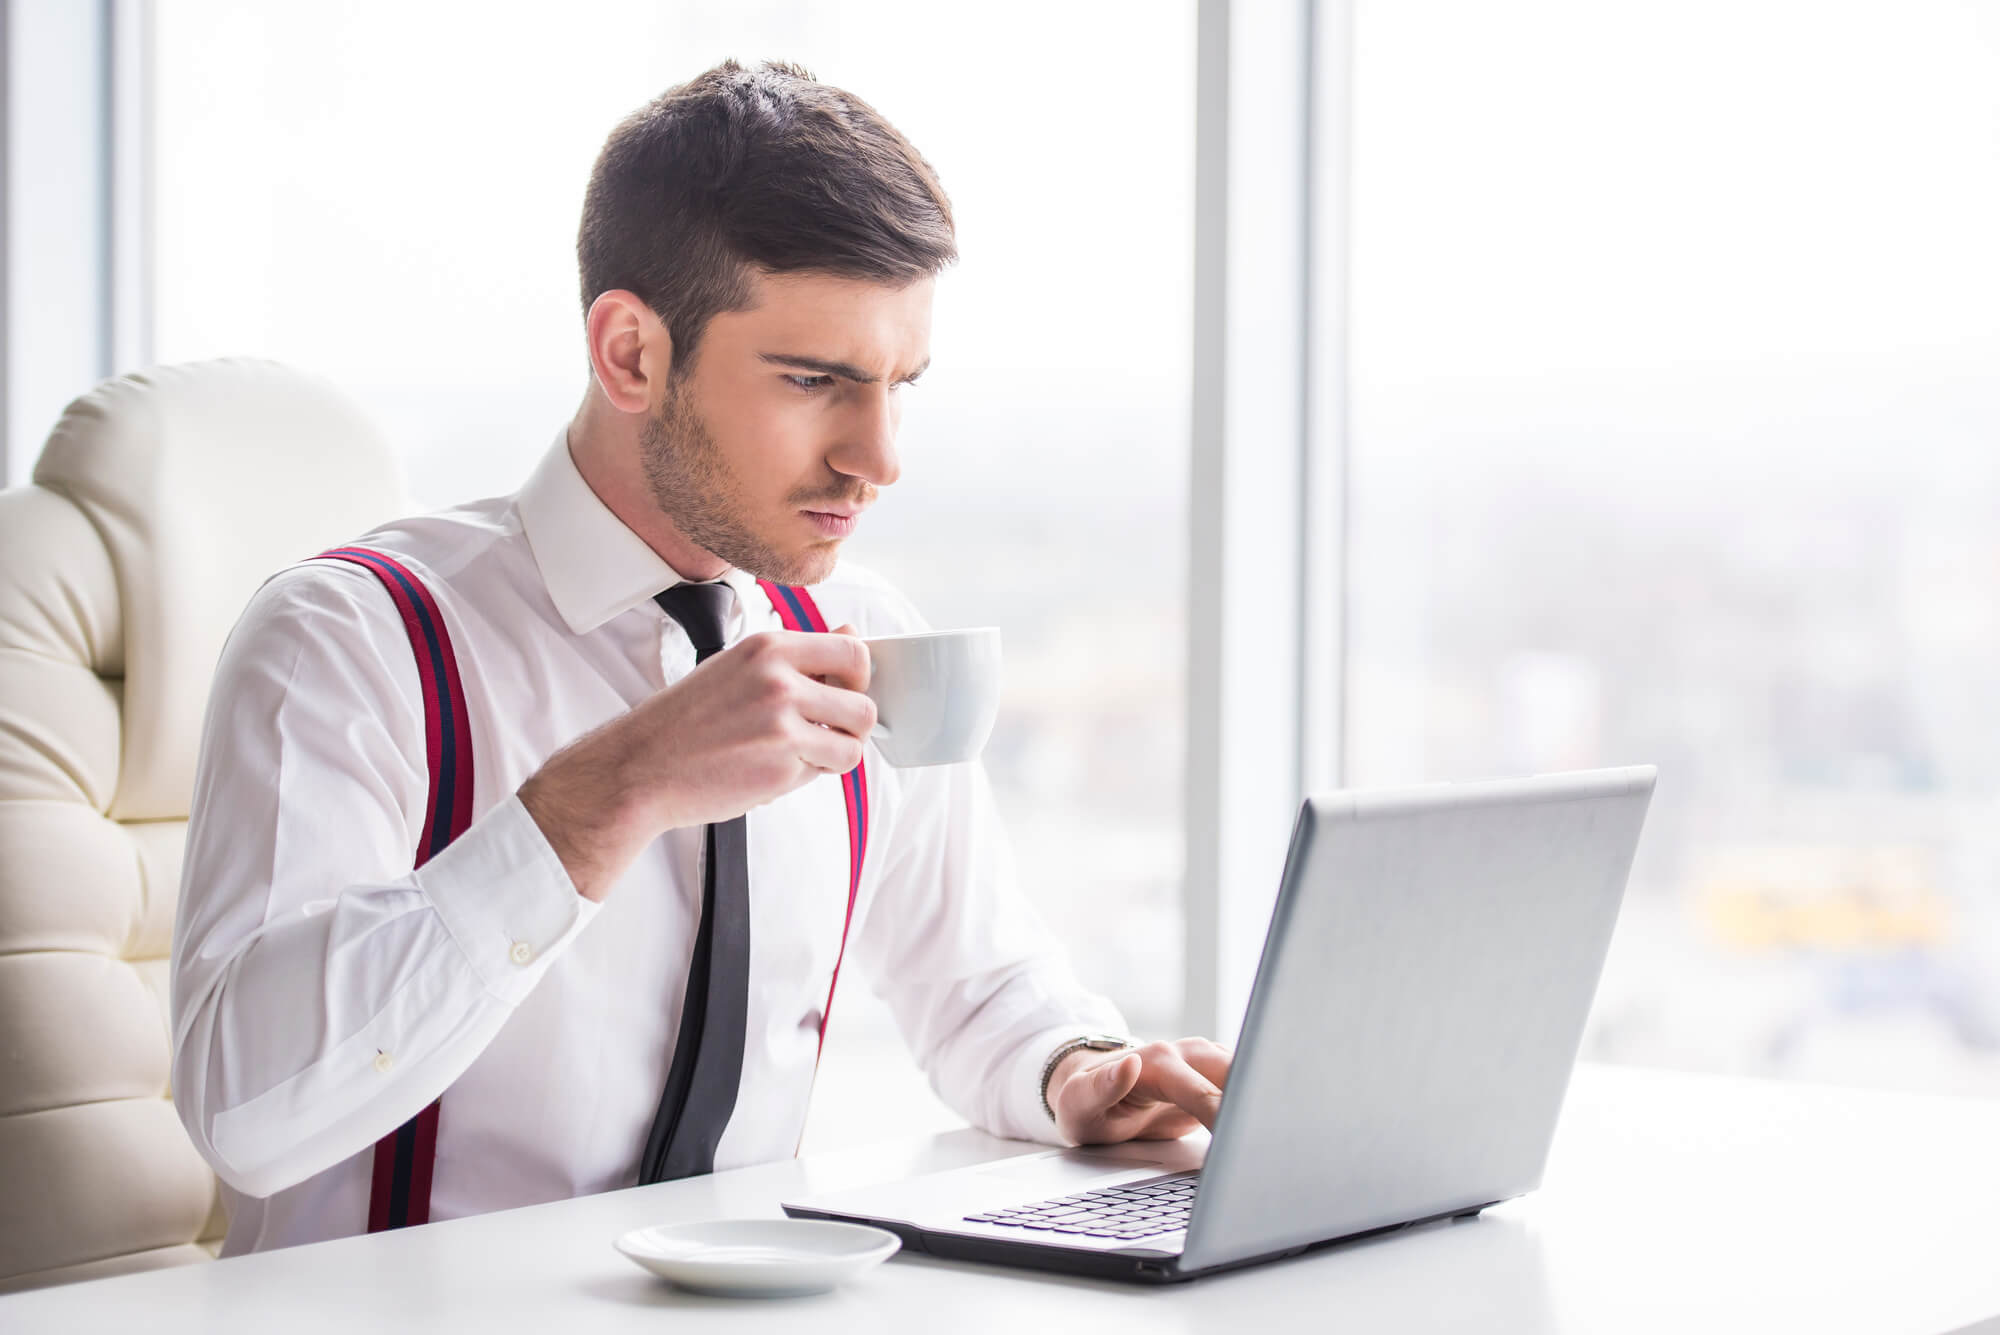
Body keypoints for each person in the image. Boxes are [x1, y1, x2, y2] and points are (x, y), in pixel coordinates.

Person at [170, 58, 1231, 1256]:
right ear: (630, 354)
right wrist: (611, 792)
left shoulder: (862, 633)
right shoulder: (348, 641)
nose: (879, 459)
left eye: (899, 386)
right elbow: (246, 1117)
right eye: (815, 381)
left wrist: (1074, 1068)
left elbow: (979, 985)